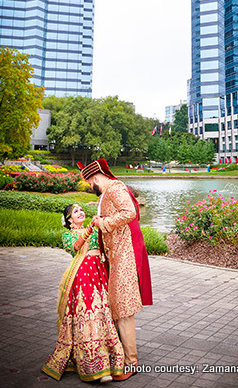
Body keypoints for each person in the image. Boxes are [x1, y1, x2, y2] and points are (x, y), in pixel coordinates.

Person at [80, 159, 153, 382]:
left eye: (88, 182)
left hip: (124, 256)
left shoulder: (115, 188)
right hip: (114, 256)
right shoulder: (106, 192)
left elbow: (130, 212)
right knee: (116, 309)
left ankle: (131, 363)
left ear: (94, 178)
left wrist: (104, 223)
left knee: (123, 310)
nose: (88, 186)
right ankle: (120, 357)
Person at [42, 203, 124, 382]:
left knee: (103, 314)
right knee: (88, 315)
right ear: (69, 219)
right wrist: (88, 230)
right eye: (75, 211)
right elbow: (77, 247)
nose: (80, 212)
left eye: (81, 210)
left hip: (99, 273)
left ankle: (108, 362)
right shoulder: (68, 235)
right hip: (81, 276)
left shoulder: (96, 231)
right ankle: (93, 366)